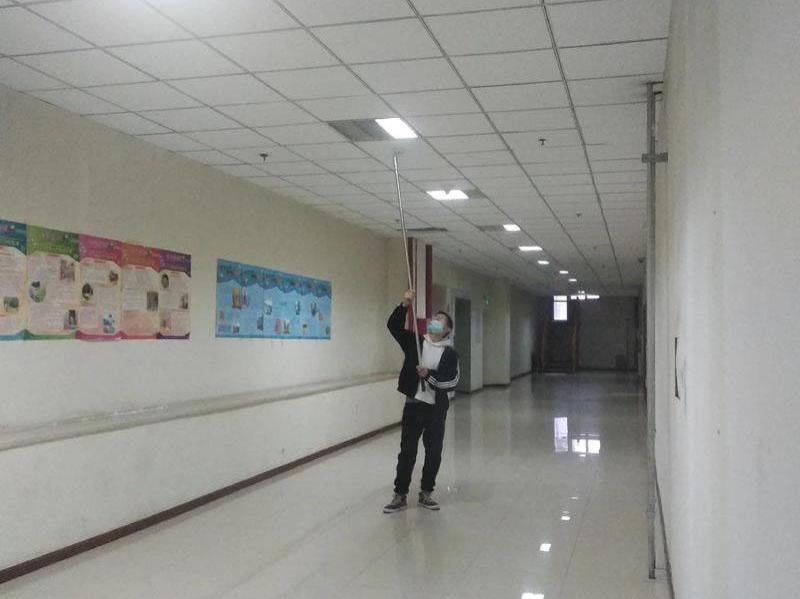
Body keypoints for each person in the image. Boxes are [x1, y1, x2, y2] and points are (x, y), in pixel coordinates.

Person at [384, 289, 460, 513]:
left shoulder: (450, 354)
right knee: (407, 451)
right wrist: (404, 304)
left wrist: (429, 375)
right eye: (434, 317)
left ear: (447, 329)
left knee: (433, 452)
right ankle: (400, 494)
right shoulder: (415, 342)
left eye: (440, 319)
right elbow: (393, 326)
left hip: (436, 409)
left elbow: (451, 382)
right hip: (413, 405)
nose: (435, 320)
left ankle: (426, 492)